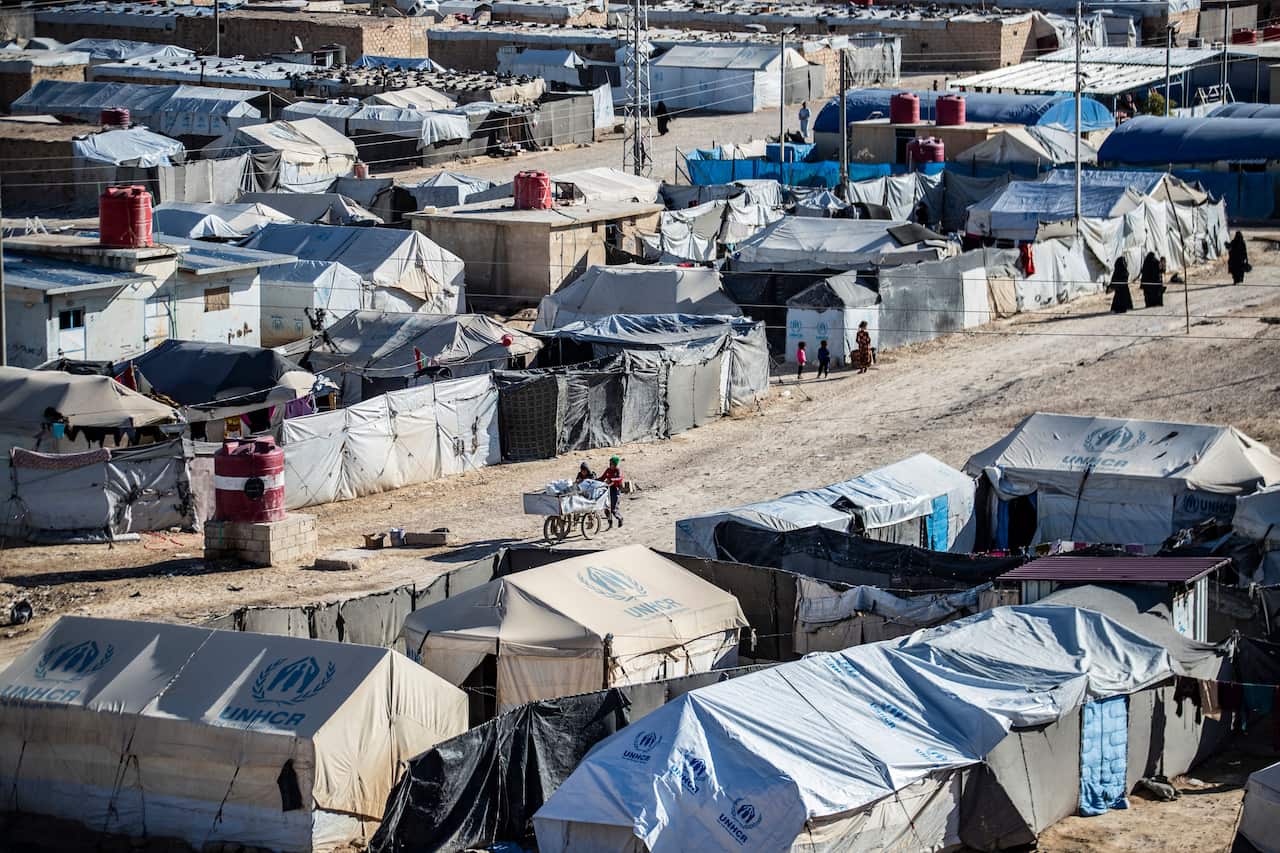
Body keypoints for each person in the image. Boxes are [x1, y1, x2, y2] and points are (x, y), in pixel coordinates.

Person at [601, 455, 624, 527]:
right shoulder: (608, 470)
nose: (611, 465)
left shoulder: (618, 470)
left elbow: (620, 478)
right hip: (608, 489)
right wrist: (594, 481)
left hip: (615, 490)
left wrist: (611, 479)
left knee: (613, 509)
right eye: (610, 463)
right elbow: (602, 478)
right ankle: (610, 522)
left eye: (612, 464)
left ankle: (620, 518)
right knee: (606, 508)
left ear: (615, 464)